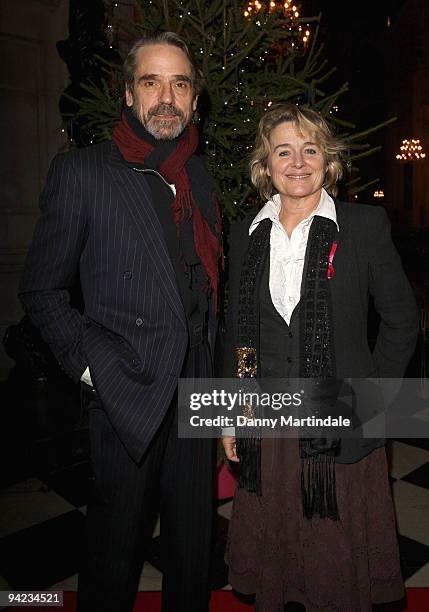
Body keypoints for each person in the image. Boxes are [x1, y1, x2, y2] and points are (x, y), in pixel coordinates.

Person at [19, 31, 223, 612]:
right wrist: (91, 369)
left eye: (179, 84)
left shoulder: (198, 174)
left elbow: (209, 292)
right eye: (152, 82)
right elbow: (41, 289)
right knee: (114, 554)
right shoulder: (82, 172)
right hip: (125, 388)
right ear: (129, 95)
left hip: (197, 390)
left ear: (193, 99)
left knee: (192, 547)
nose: (167, 97)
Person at [221, 103, 419, 611]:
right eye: (283, 150)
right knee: (278, 563)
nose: (297, 162)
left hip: (339, 426)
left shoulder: (363, 225)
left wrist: (375, 401)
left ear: (326, 159)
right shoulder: (246, 236)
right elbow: (236, 335)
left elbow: (402, 322)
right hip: (268, 427)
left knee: (336, 569)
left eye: (309, 149)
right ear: (265, 165)